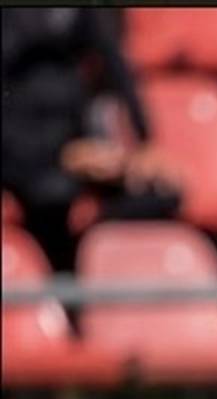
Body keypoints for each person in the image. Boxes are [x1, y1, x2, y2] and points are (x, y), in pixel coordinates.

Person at [1, 7, 180, 271]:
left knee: (162, 192)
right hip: (25, 154)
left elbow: (114, 63)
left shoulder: (79, 15)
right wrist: (60, 157)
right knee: (53, 195)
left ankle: (92, 241)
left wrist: (144, 143)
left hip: (74, 145)